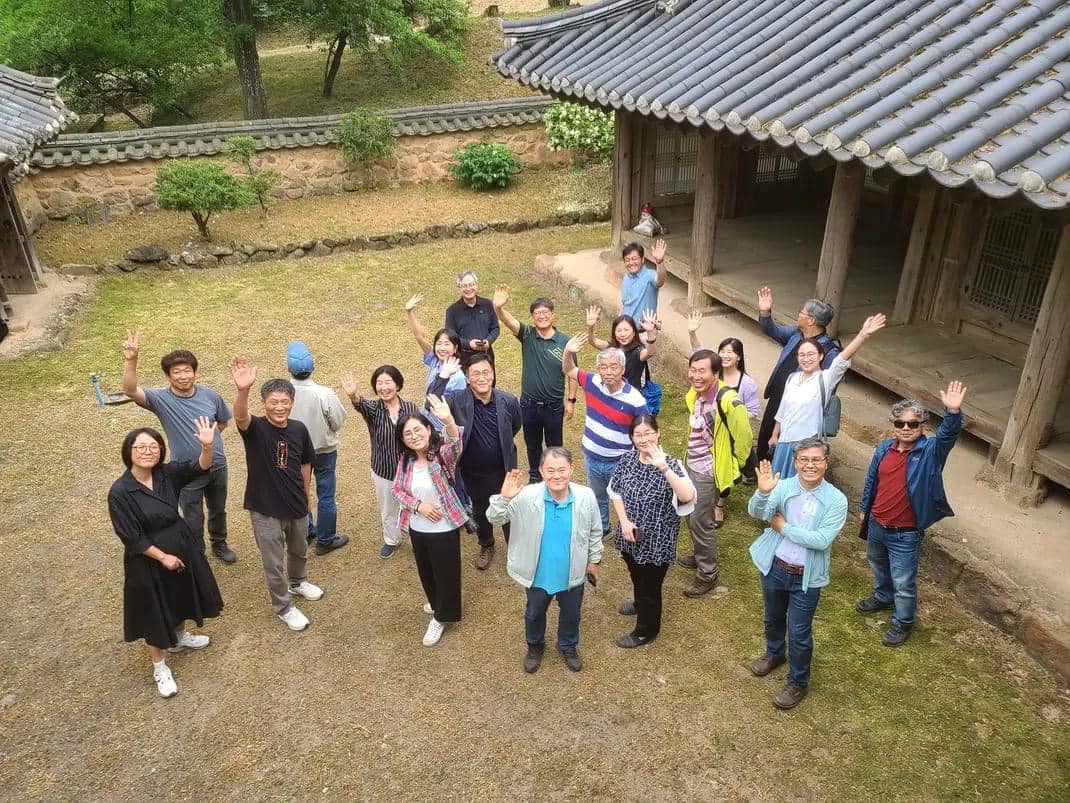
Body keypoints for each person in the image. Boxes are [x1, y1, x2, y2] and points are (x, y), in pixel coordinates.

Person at [107, 417, 224, 698]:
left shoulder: (166, 474)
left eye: (154, 446)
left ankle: (179, 639)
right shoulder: (120, 491)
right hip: (147, 559)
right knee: (154, 612)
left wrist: (207, 447)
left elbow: (200, 467)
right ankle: (160, 667)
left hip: (180, 543)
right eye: (140, 447)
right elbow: (131, 536)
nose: (148, 451)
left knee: (180, 594)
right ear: (129, 451)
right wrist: (162, 557)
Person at [857, 381, 968, 648]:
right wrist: (864, 509)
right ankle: (883, 597)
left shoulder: (930, 452)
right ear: (894, 425)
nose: (906, 428)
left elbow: (947, 435)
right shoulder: (884, 448)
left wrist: (952, 413)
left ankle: (903, 622)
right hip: (877, 524)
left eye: (913, 424)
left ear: (922, 427)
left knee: (904, 582)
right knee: (878, 565)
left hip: (905, 533)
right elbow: (872, 480)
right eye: (900, 423)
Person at [746, 439, 847, 710]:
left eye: (816, 459)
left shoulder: (836, 500)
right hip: (775, 567)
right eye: (804, 459)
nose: (809, 465)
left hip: (806, 577)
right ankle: (775, 653)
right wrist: (763, 493)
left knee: (799, 632)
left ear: (826, 462)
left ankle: (798, 682)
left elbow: (821, 540)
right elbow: (756, 512)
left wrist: (784, 527)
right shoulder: (783, 486)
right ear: (795, 462)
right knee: (772, 618)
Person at [120, 330, 237, 564]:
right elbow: (130, 390)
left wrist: (208, 439)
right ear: (168, 376)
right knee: (193, 517)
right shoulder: (161, 400)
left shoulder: (210, 396)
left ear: (195, 373)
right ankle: (197, 552)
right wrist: (131, 360)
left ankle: (219, 543)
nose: (183, 376)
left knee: (218, 509)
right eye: (177, 372)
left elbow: (222, 421)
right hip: (186, 472)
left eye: (187, 371)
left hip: (217, 465)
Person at [487, 448, 603, 673]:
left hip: (573, 573)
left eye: (562, 470)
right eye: (550, 470)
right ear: (541, 471)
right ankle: (535, 646)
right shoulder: (526, 496)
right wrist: (504, 498)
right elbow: (494, 518)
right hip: (538, 575)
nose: (556, 476)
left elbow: (595, 531)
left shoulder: (586, 496)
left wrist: (594, 560)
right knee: (534, 613)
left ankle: (568, 645)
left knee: (572, 614)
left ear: (572, 469)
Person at [230, 358, 324, 632]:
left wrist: (307, 495)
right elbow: (240, 416)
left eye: (284, 401)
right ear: (264, 403)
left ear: (292, 402)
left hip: (296, 503)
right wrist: (243, 390)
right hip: (265, 508)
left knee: (299, 549)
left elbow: (305, 464)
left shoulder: (298, 429)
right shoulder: (255, 428)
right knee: (273, 562)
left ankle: (298, 582)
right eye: (274, 402)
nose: (279, 407)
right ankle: (284, 607)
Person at [607, 415, 696, 648]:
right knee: (635, 574)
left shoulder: (672, 464)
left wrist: (663, 467)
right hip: (630, 535)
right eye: (638, 434)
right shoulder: (627, 459)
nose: (643, 438)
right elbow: (615, 491)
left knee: (650, 587)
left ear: (658, 433)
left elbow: (688, 496)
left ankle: (646, 631)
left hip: (657, 542)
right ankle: (639, 604)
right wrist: (624, 522)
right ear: (632, 437)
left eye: (648, 433)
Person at [429, 354, 521, 570]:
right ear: (467, 378)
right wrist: (443, 376)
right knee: (480, 510)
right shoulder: (457, 400)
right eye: (475, 374)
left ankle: (515, 547)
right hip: (472, 473)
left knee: (510, 508)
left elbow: (515, 426)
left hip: (505, 470)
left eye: (486, 372)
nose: (481, 378)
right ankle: (486, 544)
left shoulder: (508, 400)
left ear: (493, 374)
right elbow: (430, 402)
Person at [769, 313, 886, 479]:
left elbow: (842, 359)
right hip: (784, 441)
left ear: (821, 356)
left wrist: (862, 335)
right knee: (778, 485)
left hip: (807, 445)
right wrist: (775, 435)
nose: (806, 359)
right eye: (802, 355)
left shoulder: (825, 379)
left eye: (811, 354)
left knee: (801, 485)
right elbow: (783, 409)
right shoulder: (792, 378)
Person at [391, 397, 467, 647]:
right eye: (407, 433)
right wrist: (418, 506)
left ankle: (441, 617)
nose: (414, 436)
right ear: (403, 440)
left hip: (444, 529)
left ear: (428, 429)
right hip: (417, 528)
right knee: (426, 571)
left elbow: (455, 443)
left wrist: (448, 420)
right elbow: (397, 490)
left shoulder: (442, 454)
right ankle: (436, 603)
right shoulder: (406, 461)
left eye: (418, 430)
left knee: (446, 574)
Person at [678, 349, 753, 597]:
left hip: (708, 472)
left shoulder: (729, 400)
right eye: (693, 370)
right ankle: (700, 554)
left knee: (701, 521)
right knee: (690, 515)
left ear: (715, 373)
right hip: (691, 463)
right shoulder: (696, 394)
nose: (696, 376)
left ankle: (707, 574)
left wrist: (734, 464)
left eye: (702, 371)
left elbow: (744, 438)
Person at [561, 333, 649, 536]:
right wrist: (568, 352)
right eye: (603, 367)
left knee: (627, 498)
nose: (608, 372)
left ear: (623, 369)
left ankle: (630, 531)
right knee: (597, 496)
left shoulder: (635, 400)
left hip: (620, 462)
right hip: (592, 458)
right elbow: (568, 369)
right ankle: (604, 527)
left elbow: (646, 431)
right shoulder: (592, 381)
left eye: (613, 367)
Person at [492, 284, 575, 482]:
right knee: (532, 445)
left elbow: (572, 373)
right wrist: (498, 308)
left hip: (554, 407)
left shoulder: (565, 342)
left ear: (553, 315)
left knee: (555, 447)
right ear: (532, 317)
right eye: (537, 313)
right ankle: (535, 477)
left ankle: (556, 476)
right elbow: (509, 321)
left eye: (545, 312)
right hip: (529, 405)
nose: (542, 316)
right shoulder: (528, 335)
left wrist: (571, 400)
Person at [755, 288, 841, 464]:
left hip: (800, 409)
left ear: (811, 320)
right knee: (766, 437)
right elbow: (773, 330)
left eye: (802, 312)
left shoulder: (829, 351)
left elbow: (829, 386)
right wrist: (765, 312)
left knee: (788, 447)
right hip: (778, 398)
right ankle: (762, 471)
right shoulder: (796, 333)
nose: (798, 314)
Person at [342, 365, 418, 559]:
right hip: (383, 470)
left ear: (397, 385)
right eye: (379, 383)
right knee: (388, 508)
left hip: (409, 470)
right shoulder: (374, 410)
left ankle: (417, 536)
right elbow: (360, 404)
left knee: (412, 505)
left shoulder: (410, 408)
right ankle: (392, 539)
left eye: (388, 382)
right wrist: (353, 395)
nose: (384, 387)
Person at [286, 340, 349, 556]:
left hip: (295, 454)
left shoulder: (283, 394)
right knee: (326, 495)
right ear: (312, 367)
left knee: (299, 492)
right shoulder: (325, 393)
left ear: (289, 368)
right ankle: (326, 539)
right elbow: (337, 421)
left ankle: (306, 531)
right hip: (324, 451)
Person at [404, 294, 468, 429]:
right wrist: (409, 312)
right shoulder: (435, 360)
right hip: (425, 420)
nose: (442, 348)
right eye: (439, 344)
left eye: (447, 344)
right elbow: (420, 337)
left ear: (455, 348)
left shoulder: (458, 377)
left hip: (442, 428)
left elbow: (460, 410)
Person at [586, 305, 659, 391]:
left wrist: (650, 333)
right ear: (614, 333)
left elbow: (650, 352)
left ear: (634, 333)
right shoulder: (611, 348)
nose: (623, 334)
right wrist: (590, 327)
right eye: (619, 330)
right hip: (612, 392)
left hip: (630, 396)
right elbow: (593, 341)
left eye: (626, 330)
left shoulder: (637, 352)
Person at [445, 270, 499, 369]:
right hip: (464, 359)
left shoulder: (487, 304)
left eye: (471, 284)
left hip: (487, 356)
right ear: (459, 288)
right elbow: (451, 337)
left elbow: (495, 328)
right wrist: (469, 344)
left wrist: (488, 341)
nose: (468, 289)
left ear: (477, 285)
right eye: (464, 286)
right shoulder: (452, 311)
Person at [619, 239, 667, 322]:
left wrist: (660, 262)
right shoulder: (626, 278)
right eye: (627, 260)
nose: (631, 263)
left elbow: (660, 281)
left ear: (642, 259)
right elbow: (624, 303)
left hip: (645, 328)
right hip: (627, 327)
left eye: (634, 259)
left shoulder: (650, 275)